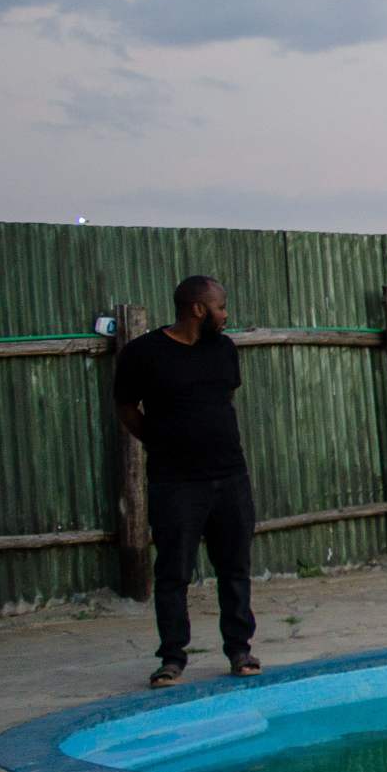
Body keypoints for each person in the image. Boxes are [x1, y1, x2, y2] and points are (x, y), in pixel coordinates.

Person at [114, 275, 259, 688]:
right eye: (220, 307)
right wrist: (160, 443)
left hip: (229, 475)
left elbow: (223, 401)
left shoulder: (223, 350)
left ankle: (239, 649)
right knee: (174, 572)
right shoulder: (144, 354)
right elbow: (126, 408)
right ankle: (172, 657)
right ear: (198, 309)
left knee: (234, 567)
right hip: (175, 481)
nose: (226, 315)